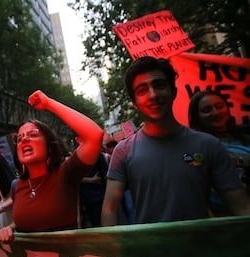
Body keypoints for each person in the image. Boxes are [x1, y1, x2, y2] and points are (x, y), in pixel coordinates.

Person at [101, 56, 250, 226]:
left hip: (204, 249)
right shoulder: (122, 152)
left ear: (173, 91)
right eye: (142, 90)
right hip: (149, 251)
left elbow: (242, 206)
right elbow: (109, 212)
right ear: (134, 103)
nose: (153, 95)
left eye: (159, 85)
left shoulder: (209, 145)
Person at [0, 90, 103, 242]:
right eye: (19, 138)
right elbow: (26, 221)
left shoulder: (66, 173)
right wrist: (10, 228)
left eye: (33, 134)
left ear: (49, 147)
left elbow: (94, 136)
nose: (24, 140)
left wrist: (49, 103)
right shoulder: (17, 186)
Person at [188, 89, 250, 215]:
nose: (215, 113)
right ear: (196, 117)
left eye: (219, 106)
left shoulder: (246, 138)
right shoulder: (192, 148)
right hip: (218, 219)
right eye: (207, 110)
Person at [76, 136, 108, 228]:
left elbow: (105, 175)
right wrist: (92, 180)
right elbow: (74, 178)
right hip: (88, 197)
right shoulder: (77, 157)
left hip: (97, 196)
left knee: (97, 223)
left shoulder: (97, 155)